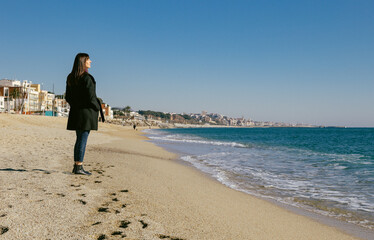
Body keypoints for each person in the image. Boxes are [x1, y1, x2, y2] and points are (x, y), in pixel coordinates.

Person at [65, 53, 104, 175]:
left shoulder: (71, 77)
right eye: (88, 60)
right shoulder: (87, 78)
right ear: (83, 62)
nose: (91, 61)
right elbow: (91, 97)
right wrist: (97, 107)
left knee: (79, 139)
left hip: (77, 112)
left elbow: (68, 97)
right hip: (86, 114)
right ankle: (79, 166)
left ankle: (77, 166)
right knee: (82, 140)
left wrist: (76, 105)